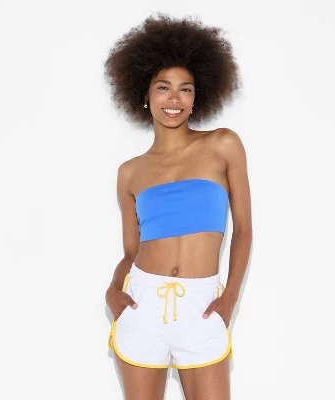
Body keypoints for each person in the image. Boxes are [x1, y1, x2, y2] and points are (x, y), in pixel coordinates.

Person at [104, 13, 252, 400]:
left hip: (203, 306)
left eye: (185, 89)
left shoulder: (223, 144)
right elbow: (131, 253)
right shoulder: (129, 173)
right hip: (142, 305)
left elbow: (243, 230)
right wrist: (112, 290)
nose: (174, 99)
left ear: (196, 97)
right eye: (163, 88)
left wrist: (230, 297)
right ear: (145, 95)